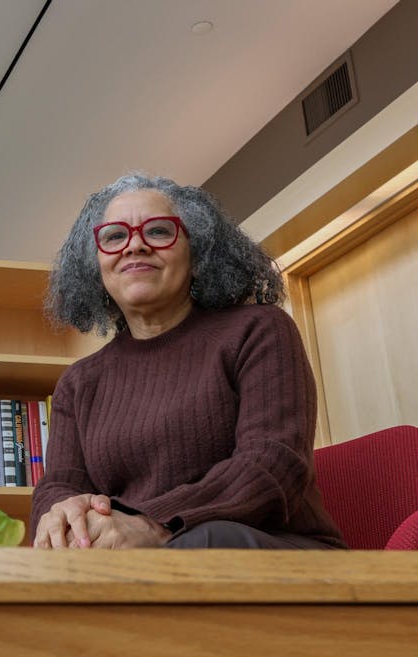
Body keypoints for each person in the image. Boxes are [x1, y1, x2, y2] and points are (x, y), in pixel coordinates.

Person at [31, 173, 346, 550]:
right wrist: (66, 518)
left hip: (274, 550)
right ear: (95, 268)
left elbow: (271, 466)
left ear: (198, 255)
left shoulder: (260, 330)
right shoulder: (79, 382)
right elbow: (59, 486)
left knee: (187, 549)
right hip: (133, 559)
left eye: (159, 231)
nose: (135, 246)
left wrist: (149, 523)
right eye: (115, 237)